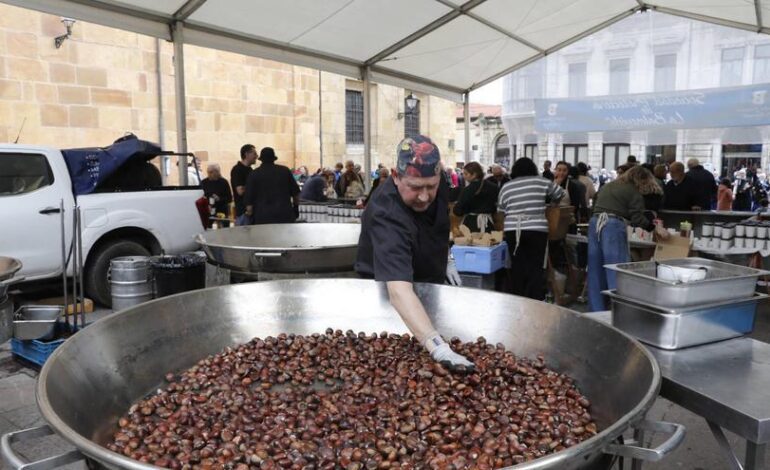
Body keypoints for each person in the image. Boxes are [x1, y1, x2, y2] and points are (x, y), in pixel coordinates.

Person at [355, 135, 474, 372]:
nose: (424, 197)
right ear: (396, 176)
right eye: (415, 187)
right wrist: (438, 347)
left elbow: (441, 224)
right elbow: (398, 291)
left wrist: (447, 257)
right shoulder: (386, 212)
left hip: (428, 282)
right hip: (387, 298)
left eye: (431, 186)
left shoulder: (435, 186)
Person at [588, 166, 669, 311]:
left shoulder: (609, 185)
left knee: (595, 271)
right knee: (617, 271)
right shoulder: (633, 191)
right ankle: (619, 311)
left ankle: (597, 311)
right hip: (612, 225)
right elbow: (637, 218)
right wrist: (653, 227)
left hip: (594, 223)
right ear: (643, 179)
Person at [498, 157, 564, 300]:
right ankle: (534, 300)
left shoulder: (506, 186)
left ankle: (518, 299)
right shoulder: (542, 182)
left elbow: (501, 209)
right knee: (535, 266)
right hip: (536, 229)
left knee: (517, 266)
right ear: (533, 168)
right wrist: (553, 203)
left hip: (513, 229)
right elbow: (560, 193)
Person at [244, 147, 300, 224]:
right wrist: (296, 209)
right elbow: (296, 195)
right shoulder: (285, 171)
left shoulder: (254, 174)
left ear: (261, 159)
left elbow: (249, 206)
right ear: (274, 159)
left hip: (262, 218)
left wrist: (251, 217)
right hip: (284, 216)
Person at [452, 162, 499, 232]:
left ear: (474, 174)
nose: (464, 176)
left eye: (466, 174)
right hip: (488, 224)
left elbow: (458, 211)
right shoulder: (494, 187)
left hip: (471, 225)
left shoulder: (467, 190)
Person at [231, 144, 257, 225]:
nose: (256, 156)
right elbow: (240, 191)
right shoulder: (237, 170)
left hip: (251, 211)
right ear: (246, 154)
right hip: (243, 213)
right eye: (254, 153)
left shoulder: (250, 170)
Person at [553, 161, 586, 226]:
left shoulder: (573, 186)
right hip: (553, 217)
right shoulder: (550, 184)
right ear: (555, 171)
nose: (561, 173)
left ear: (568, 172)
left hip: (568, 218)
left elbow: (575, 205)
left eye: (564, 170)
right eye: (559, 170)